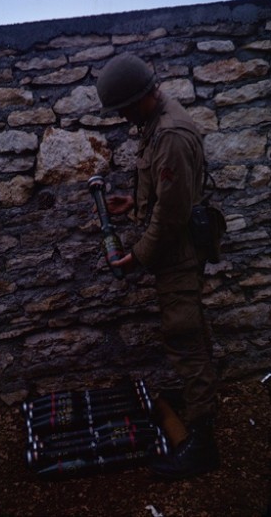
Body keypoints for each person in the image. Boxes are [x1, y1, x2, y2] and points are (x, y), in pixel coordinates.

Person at [96, 52, 220, 480]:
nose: (125, 115)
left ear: (143, 95)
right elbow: (167, 198)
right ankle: (199, 403)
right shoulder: (154, 123)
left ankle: (203, 445)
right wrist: (134, 204)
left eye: (126, 107)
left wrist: (138, 257)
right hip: (175, 249)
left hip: (177, 255)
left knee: (184, 339)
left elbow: (171, 217)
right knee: (189, 335)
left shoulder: (169, 133)